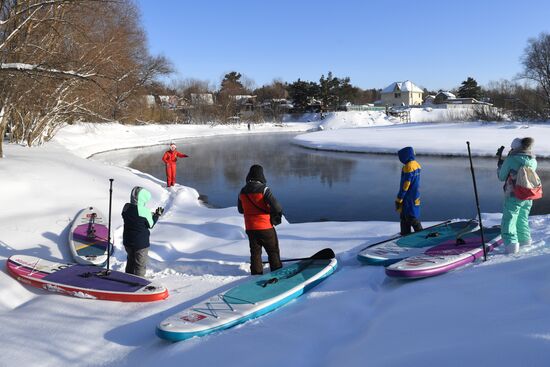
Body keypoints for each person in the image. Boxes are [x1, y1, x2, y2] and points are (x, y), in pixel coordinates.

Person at [238, 164, 283, 275]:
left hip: (250, 227)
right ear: (261, 176)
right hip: (265, 226)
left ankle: (256, 273)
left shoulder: (242, 191)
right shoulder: (264, 190)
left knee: (255, 252)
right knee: (272, 250)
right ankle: (277, 271)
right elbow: (277, 207)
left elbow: (240, 210)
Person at [497, 137, 537, 254]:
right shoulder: (533, 160)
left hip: (513, 195)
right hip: (528, 195)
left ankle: (512, 246)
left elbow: (501, 177)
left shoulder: (511, 159)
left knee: (509, 220)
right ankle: (525, 242)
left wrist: (500, 166)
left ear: (515, 148)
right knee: (522, 219)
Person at [122, 186, 164, 276]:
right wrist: (156, 215)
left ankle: (127, 280)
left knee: (130, 262)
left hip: (128, 242)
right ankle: (139, 284)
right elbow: (150, 224)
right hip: (141, 244)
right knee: (140, 265)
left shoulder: (126, 207)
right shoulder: (145, 211)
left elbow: (135, 218)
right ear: (143, 199)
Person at [395, 146, 423, 235]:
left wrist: (399, 198)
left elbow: (405, 185)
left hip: (408, 196)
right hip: (415, 194)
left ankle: (419, 233)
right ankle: (405, 233)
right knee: (406, 215)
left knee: (410, 216)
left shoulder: (408, 167)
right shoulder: (416, 164)